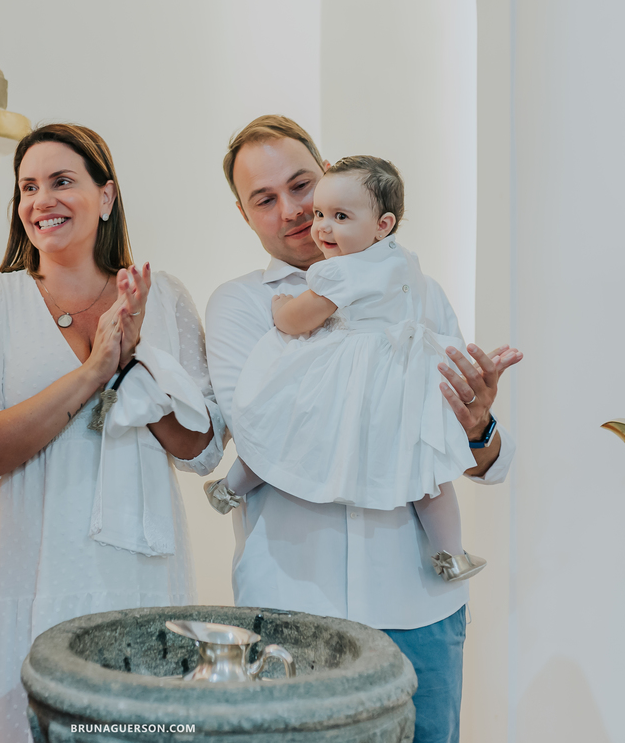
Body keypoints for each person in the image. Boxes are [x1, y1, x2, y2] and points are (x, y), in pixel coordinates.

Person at [204, 116, 522, 743]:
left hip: (418, 606)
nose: (295, 211)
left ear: (330, 176)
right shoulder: (242, 307)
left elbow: (469, 451)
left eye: (302, 185)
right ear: (244, 215)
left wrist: (477, 427)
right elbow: (266, 429)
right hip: (292, 607)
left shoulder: (418, 292)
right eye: (265, 199)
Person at [0, 123, 226, 743]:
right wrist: (94, 372)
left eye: (63, 181)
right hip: (26, 567)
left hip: (138, 573)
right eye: (28, 187)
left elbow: (201, 450)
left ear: (107, 196)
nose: (43, 201)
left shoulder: (164, 298)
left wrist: (135, 359)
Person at [228, 155, 485, 582]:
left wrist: (280, 306)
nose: (322, 227)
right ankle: (451, 554)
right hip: (405, 380)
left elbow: (297, 321)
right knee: (427, 475)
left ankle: (230, 486)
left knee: (288, 419)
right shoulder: (406, 261)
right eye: (321, 215)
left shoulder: (341, 272)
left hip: (355, 370)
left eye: (340, 216)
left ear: (382, 225)